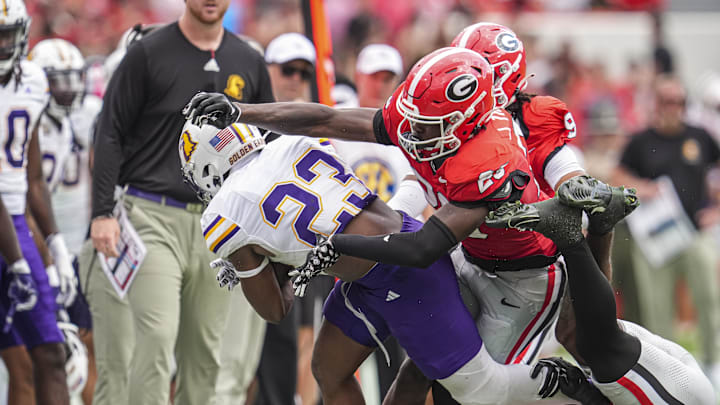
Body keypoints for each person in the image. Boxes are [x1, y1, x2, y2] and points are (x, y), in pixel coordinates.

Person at [178, 116, 600, 405]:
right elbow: (329, 220)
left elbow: (275, 308)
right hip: (382, 254)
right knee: (329, 369)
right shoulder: (292, 143)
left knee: (482, 390)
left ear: (207, 167)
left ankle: (564, 380)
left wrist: (251, 264)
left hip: (398, 269)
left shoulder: (226, 215)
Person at [83, 1, 274, 404]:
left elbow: (269, 143)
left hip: (219, 225)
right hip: (151, 213)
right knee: (155, 335)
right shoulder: (147, 53)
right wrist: (102, 212)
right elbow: (110, 131)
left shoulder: (249, 61)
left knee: (205, 351)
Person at [484, 176, 717, 404]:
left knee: (571, 334)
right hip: (681, 394)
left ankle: (602, 224)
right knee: (599, 347)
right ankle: (567, 234)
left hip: (670, 383)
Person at [612, 75, 720, 385]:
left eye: (680, 102)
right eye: (667, 101)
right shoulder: (641, 140)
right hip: (654, 237)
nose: (674, 108)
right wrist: (640, 187)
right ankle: (668, 371)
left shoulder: (700, 136)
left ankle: (712, 364)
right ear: (656, 104)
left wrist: (716, 210)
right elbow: (617, 173)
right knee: (656, 306)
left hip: (694, 232)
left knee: (708, 298)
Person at [0, 1, 74, 404]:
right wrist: (18, 261)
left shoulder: (32, 80)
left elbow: (32, 177)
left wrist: (56, 245)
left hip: (15, 222)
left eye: (5, 36)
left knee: (49, 352)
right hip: (11, 231)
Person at [30, 37, 100, 405]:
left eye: (73, 79)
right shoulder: (29, 120)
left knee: (82, 340)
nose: (68, 90)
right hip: (35, 242)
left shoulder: (84, 114)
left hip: (72, 245)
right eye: (58, 81)